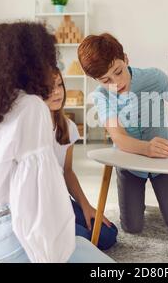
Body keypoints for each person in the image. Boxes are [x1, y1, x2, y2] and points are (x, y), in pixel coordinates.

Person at [0, 21, 114, 263]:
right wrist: (50, 256)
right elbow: (35, 200)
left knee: (81, 244)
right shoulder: (31, 107)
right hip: (20, 239)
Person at [78, 33, 168, 234]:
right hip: (129, 164)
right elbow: (118, 137)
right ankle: (137, 203)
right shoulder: (102, 96)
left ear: (126, 59)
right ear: (95, 80)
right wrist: (146, 148)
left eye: (118, 72)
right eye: (105, 80)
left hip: (162, 162)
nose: (116, 83)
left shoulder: (154, 77)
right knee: (132, 227)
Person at [46, 67, 118, 250]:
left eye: (59, 85)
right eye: (48, 88)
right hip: (39, 206)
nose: (56, 92)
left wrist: (86, 206)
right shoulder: (32, 128)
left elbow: (67, 172)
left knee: (108, 234)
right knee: (84, 239)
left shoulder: (68, 127)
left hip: (60, 199)